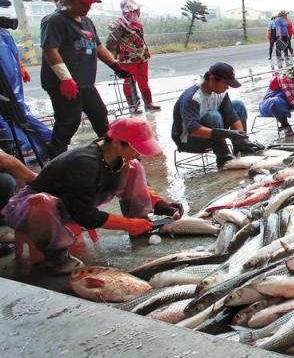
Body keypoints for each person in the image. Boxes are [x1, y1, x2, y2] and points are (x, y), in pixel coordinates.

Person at [0, 117, 183, 273]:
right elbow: (85, 216)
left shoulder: (116, 154)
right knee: (41, 203)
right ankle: (55, 256)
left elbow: (139, 185)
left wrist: (159, 204)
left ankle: (141, 223)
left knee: (134, 167)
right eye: (136, 148)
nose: (138, 153)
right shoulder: (84, 163)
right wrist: (127, 225)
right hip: (35, 207)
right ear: (118, 142)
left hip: (75, 201)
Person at [41, 0, 133, 157]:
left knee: (99, 114)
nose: (87, 7)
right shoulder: (55, 21)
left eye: (89, 4)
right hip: (63, 83)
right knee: (69, 121)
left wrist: (115, 65)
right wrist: (65, 79)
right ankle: (56, 156)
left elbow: (98, 47)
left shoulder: (87, 21)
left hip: (84, 82)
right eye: (82, 4)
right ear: (68, 1)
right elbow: (50, 50)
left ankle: (110, 153)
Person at [171, 62, 260, 168]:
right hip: (188, 140)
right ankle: (224, 156)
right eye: (226, 83)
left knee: (238, 105)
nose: (227, 87)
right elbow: (193, 129)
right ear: (212, 79)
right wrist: (226, 133)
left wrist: (242, 139)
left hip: (211, 132)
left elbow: (232, 115)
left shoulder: (220, 92)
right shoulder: (192, 97)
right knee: (214, 116)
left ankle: (241, 146)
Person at [0, 0, 52, 159]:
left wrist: (19, 67)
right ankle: (42, 143)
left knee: (15, 111)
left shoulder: (4, 35)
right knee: (16, 112)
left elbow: (10, 66)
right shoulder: (4, 35)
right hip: (9, 84)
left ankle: (29, 147)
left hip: (7, 86)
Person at [106, 0, 160, 113]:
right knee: (129, 82)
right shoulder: (120, 24)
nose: (139, 11)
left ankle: (148, 103)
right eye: (137, 9)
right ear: (131, 10)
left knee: (144, 81)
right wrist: (114, 55)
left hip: (142, 57)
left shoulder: (137, 23)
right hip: (128, 60)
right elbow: (111, 42)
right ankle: (133, 106)